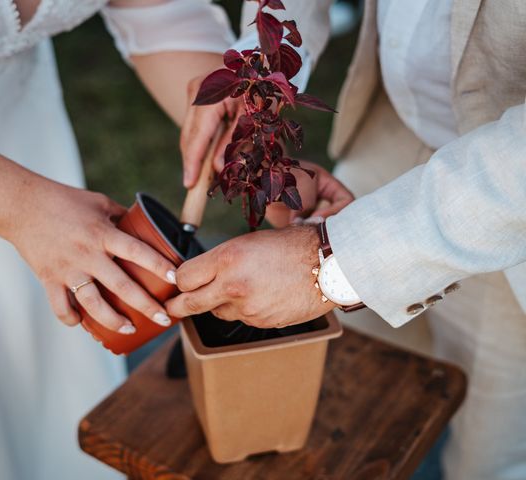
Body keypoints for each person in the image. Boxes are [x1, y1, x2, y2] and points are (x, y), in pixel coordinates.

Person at [170, 1, 526, 479]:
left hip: (511, 192)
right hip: (391, 125)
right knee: (346, 396)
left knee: (489, 445)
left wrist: (326, 265)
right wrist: (257, 64)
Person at [0, 1, 241, 478]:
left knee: (46, 401)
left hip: (32, 148)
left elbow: (157, 11)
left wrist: (247, 150)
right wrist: (22, 208)